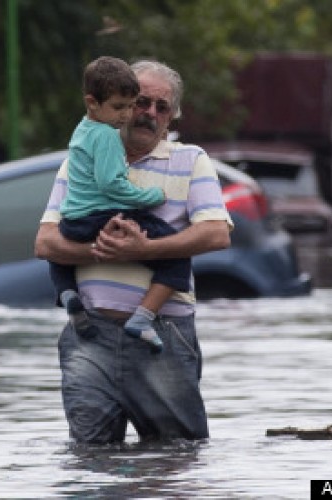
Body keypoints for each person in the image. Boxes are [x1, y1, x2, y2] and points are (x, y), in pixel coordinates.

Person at [34, 60, 233, 443]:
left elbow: (216, 234)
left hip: (164, 334)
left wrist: (145, 248)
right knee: (90, 457)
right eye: (141, 102)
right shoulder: (80, 160)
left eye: (163, 108)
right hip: (90, 335)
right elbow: (45, 243)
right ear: (117, 103)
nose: (149, 114)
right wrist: (104, 250)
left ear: (172, 117)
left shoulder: (191, 159)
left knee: (176, 455)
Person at [51, 56, 190, 354]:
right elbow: (111, 184)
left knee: (59, 256)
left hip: (73, 220)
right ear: (92, 102)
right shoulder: (108, 137)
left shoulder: (82, 129)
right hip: (102, 217)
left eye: (130, 106)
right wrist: (151, 197)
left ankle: (68, 296)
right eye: (124, 106)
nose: (127, 115)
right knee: (179, 255)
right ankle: (143, 319)